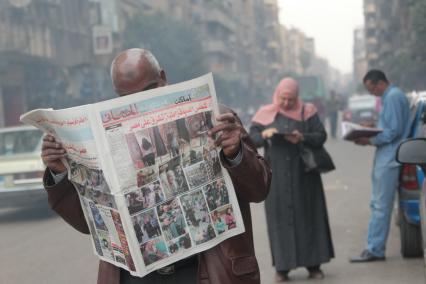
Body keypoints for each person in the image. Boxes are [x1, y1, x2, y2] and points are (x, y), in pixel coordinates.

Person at [41, 48, 271, 284]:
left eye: (148, 90)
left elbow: (259, 189)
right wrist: (59, 173)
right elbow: (88, 224)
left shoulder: (218, 117)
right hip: (136, 277)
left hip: (203, 271)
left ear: (163, 77)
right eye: (128, 98)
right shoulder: (105, 141)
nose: (141, 103)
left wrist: (235, 153)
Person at [249, 77, 334, 281]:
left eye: (291, 99)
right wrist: (266, 134)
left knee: (309, 217)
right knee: (279, 221)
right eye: (283, 98)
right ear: (277, 95)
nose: (287, 103)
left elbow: (321, 136)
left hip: (304, 175)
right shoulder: (264, 114)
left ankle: (314, 265)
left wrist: (302, 137)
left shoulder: (308, 112)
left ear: (298, 97)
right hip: (276, 176)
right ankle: (282, 267)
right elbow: (251, 140)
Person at [350, 70, 410, 263]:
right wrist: (373, 125)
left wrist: (368, 139)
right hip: (387, 157)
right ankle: (373, 247)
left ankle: (375, 249)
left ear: (379, 84)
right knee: (378, 205)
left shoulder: (392, 97)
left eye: (371, 88)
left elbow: (393, 132)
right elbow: (391, 125)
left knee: (380, 206)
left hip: (390, 159)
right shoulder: (393, 96)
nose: (372, 93)